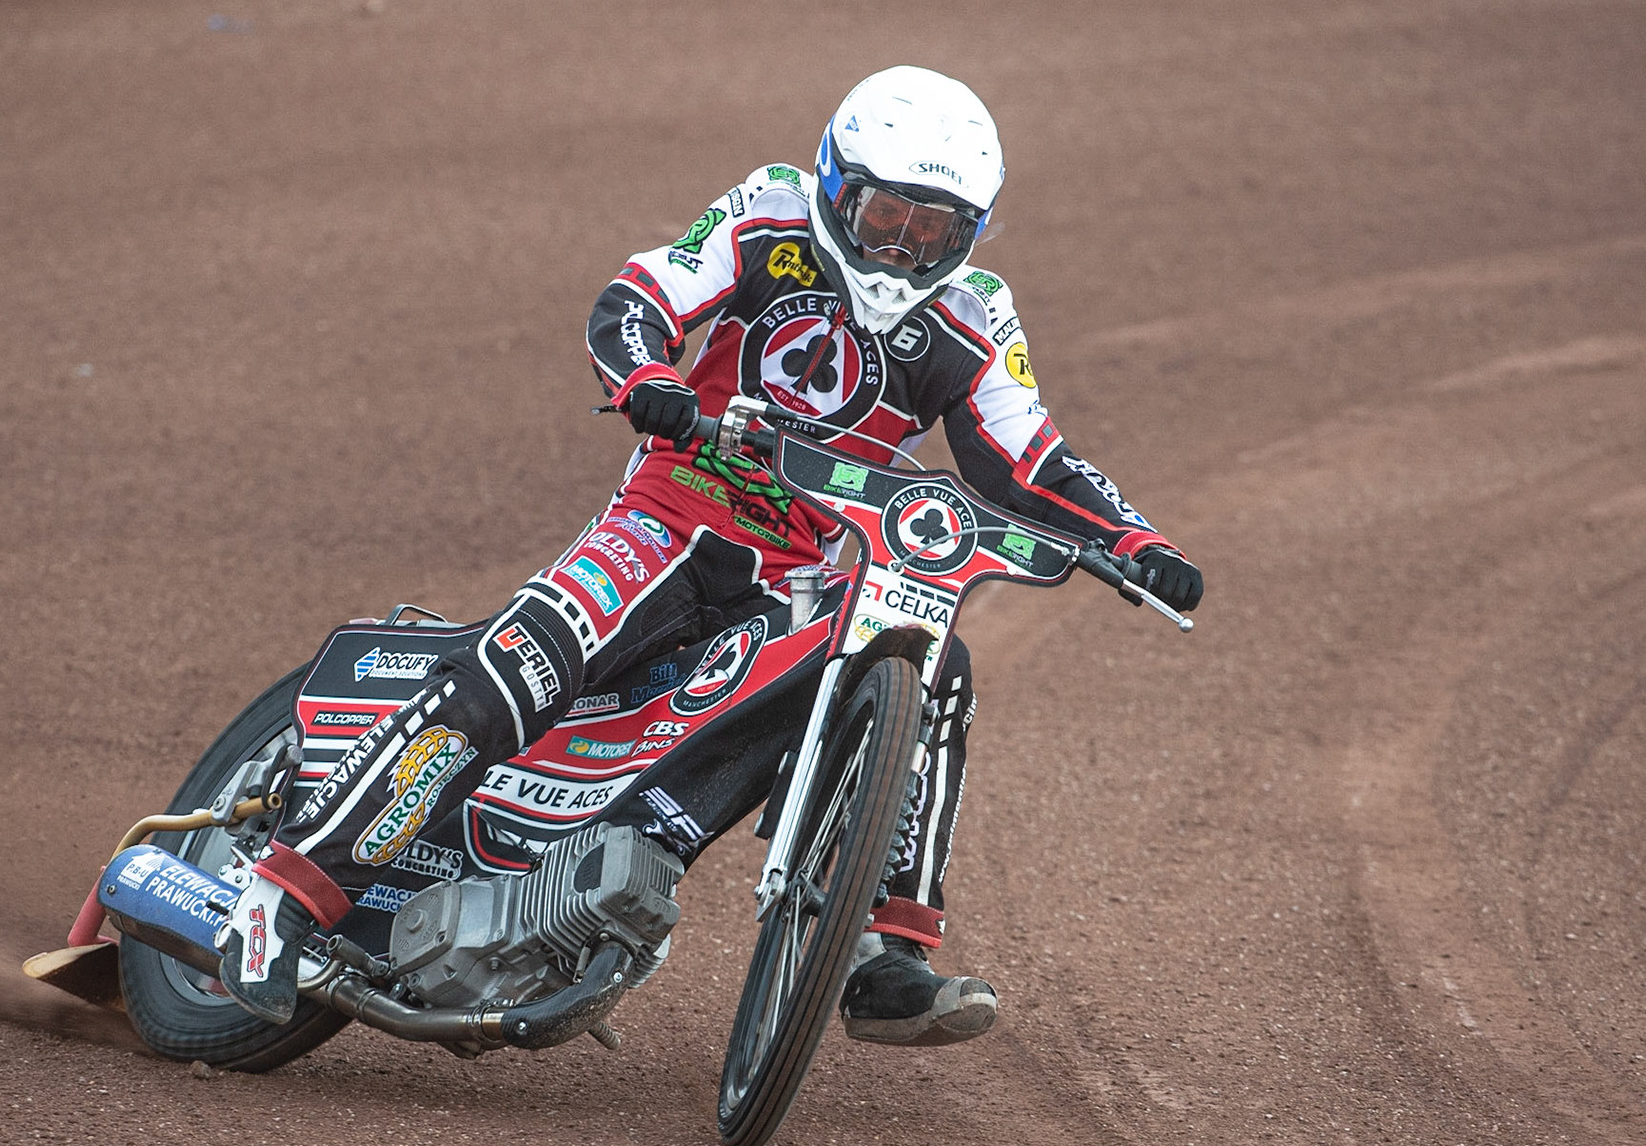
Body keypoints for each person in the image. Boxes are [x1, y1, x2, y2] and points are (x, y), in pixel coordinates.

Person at [216, 66, 1203, 1046]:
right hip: (673, 511)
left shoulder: (977, 310)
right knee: (528, 659)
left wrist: (1136, 541)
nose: (902, 249)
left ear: (971, 236)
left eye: (934, 230)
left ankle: (879, 950)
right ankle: (280, 895)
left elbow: (1031, 454)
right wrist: (648, 378)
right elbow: (640, 295)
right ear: (834, 184)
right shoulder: (769, 212)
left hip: (812, 571)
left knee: (931, 661)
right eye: (887, 217)